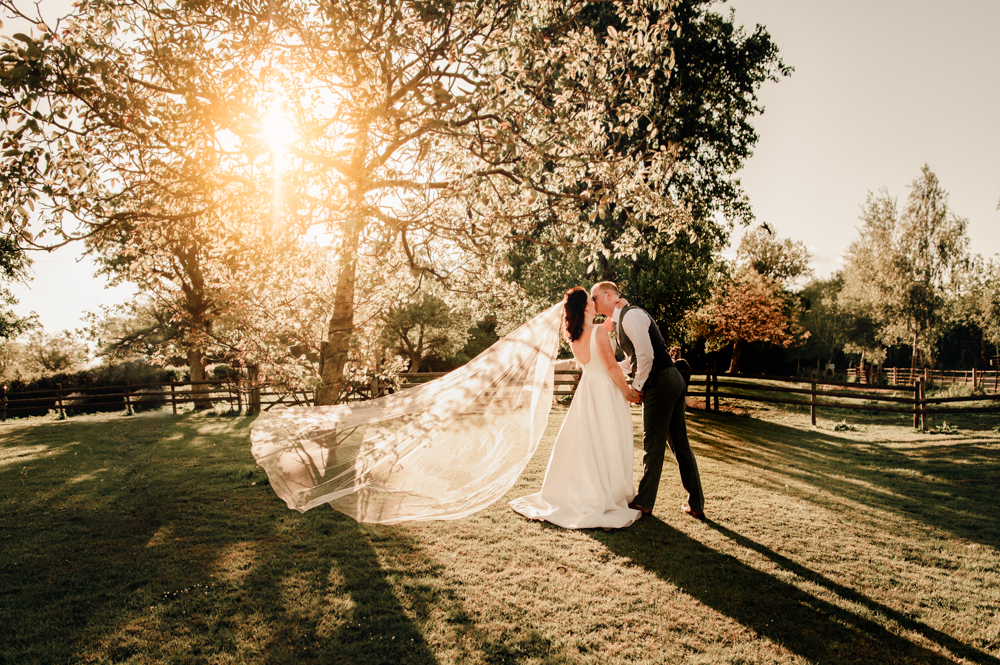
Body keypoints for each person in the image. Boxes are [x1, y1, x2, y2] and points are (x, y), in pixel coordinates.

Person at [509, 287, 643, 529]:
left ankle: (597, 487)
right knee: (607, 438)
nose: (594, 302)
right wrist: (628, 393)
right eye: (591, 300)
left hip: (588, 390)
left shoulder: (576, 336)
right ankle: (608, 491)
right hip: (605, 391)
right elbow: (612, 367)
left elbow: (606, 329)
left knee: (591, 441)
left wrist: (619, 309)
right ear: (585, 307)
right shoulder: (598, 334)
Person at [591, 281, 706, 519]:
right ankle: (696, 504)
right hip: (669, 380)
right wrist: (609, 367)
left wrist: (636, 387)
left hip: (661, 382)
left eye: (595, 298)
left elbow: (646, 355)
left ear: (609, 295)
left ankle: (644, 501)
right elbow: (634, 360)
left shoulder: (631, 316)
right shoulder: (621, 320)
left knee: (652, 442)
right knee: (679, 443)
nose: (593, 302)